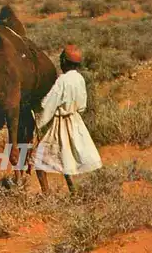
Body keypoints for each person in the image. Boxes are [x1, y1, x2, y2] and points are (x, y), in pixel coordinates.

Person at [30, 45, 102, 193]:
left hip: (61, 123)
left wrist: (38, 123)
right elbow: (82, 106)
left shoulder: (62, 80)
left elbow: (48, 104)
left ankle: (46, 193)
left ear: (65, 62)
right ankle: (73, 190)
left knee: (38, 158)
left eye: (62, 60)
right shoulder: (80, 79)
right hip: (76, 121)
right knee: (67, 156)